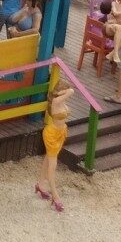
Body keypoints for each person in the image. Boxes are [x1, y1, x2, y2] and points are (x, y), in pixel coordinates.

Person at [36, 82, 71, 213]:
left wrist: (63, 92)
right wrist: (64, 92)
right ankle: (55, 196)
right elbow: (72, 91)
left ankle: (40, 184)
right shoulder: (56, 101)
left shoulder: (61, 101)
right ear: (62, 91)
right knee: (52, 164)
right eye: (65, 90)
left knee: (49, 158)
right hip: (52, 134)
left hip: (60, 132)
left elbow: (70, 92)